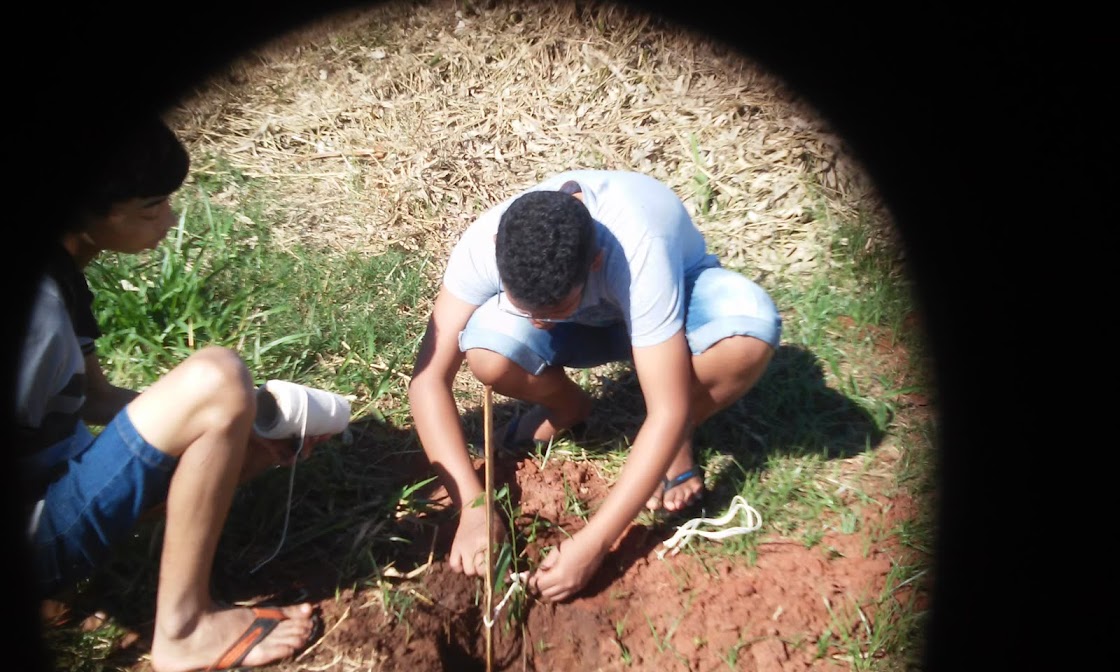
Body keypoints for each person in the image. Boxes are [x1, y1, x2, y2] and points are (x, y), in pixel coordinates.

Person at [16, 115, 333, 672]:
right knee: (218, 377)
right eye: (151, 208)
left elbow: (93, 398)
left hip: (48, 487)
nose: (170, 219)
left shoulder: (61, 274)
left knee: (229, 419)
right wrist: (218, 401)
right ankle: (183, 630)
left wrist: (232, 428)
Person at [408, 170, 782, 602]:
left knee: (748, 331)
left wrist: (594, 544)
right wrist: (473, 510)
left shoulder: (638, 247)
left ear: (595, 263)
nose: (537, 322)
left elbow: (667, 409)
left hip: (669, 307)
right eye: (522, 306)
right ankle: (568, 408)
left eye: (552, 308)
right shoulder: (485, 244)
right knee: (487, 352)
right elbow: (428, 380)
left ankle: (677, 445)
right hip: (589, 322)